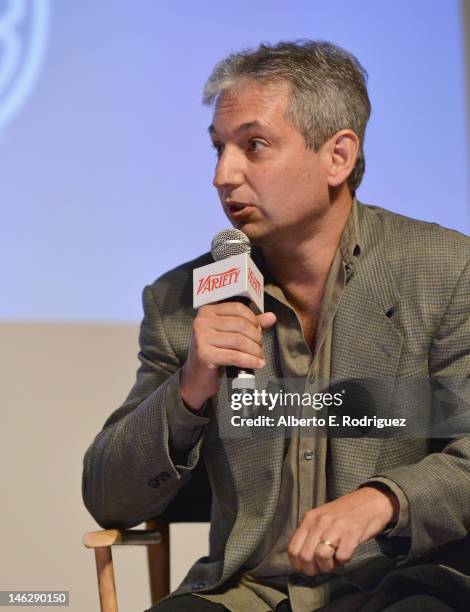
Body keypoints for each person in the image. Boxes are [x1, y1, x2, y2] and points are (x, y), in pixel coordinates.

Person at [82, 41, 470, 611]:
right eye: (218, 149)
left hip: (398, 586)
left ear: (337, 156)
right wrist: (189, 387)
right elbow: (109, 499)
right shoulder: (180, 299)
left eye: (254, 146)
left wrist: (384, 499)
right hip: (247, 594)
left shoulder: (446, 271)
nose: (222, 174)